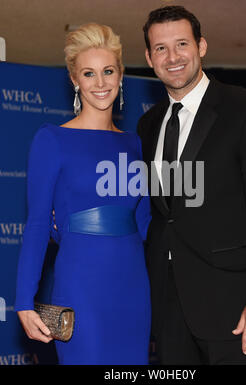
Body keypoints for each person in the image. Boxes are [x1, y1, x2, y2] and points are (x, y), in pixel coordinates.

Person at [137, 6, 246, 365]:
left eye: (181, 44)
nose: (172, 57)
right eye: (160, 48)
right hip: (169, 309)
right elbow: (164, 214)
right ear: (148, 57)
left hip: (236, 307)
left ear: (201, 46)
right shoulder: (148, 124)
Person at [14, 23, 151, 365]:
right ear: (75, 79)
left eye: (108, 71)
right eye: (89, 74)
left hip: (134, 284)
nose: (100, 83)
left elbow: (146, 222)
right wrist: (23, 301)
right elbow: (36, 225)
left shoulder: (134, 144)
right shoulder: (52, 140)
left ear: (121, 75)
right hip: (82, 284)